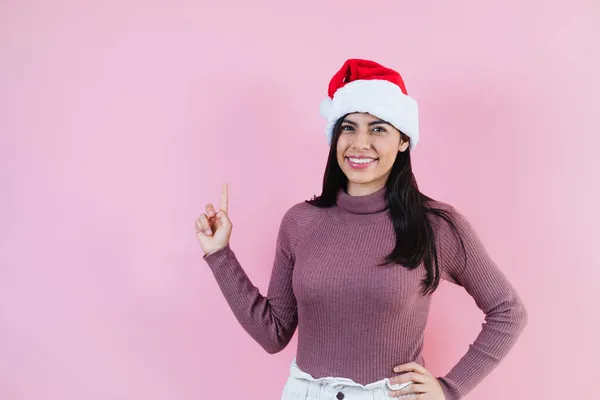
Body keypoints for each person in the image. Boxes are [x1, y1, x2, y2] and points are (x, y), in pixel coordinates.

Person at [195, 59, 528, 400]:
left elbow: (508, 311)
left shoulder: (435, 226)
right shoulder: (300, 222)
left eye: (379, 129)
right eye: (349, 128)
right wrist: (219, 253)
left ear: (402, 140)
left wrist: (448, 390)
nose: (360, 143)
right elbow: (273, 333)